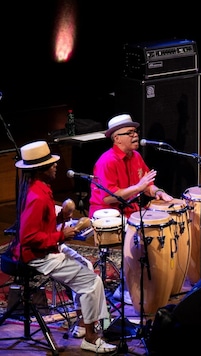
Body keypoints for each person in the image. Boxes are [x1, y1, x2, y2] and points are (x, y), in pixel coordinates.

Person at [9, 140, 117, 353]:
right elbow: (28, 236)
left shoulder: (39, 187)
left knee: (85, 264)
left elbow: (42, 223)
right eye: (51, 164)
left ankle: (81, 325)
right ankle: (92, 339)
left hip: (47, 249)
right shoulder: (37, 197)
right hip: (38, 255)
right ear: (40, 169)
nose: (55, 165)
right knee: (92, 282)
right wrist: (62, 234)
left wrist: (62, 217)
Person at [88, 113, 173, 304]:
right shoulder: (106, 161)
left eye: (136, 132)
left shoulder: (135, 156)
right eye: (130, 133)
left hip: (131, 211)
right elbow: (109, 198)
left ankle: (154, 280)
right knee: (140, 239)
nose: (135, 136)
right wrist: (138, 188)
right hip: (107, 214)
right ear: (116, 138)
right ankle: (125, 288)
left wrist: (158, 191)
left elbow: (147, 184)